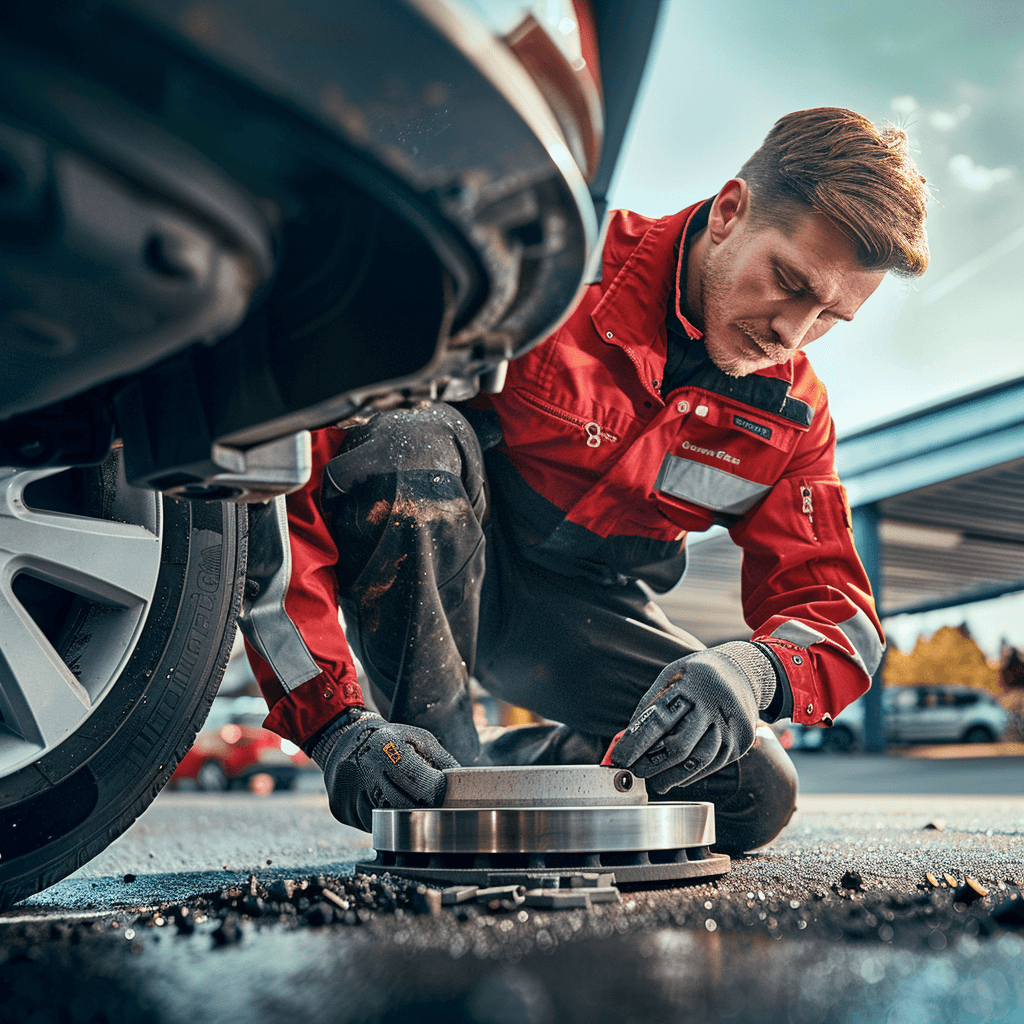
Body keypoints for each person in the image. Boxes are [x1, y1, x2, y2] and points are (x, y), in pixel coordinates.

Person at [238, 107, 929, 852]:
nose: (793, 333)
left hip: (578, 618)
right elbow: (292, 466)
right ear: (730, 211)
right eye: (789, 282)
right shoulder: (549, 272)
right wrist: (336, 725)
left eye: (831, 315)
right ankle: (435, 773)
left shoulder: (793, 413)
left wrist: (750, 672)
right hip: (443, 564)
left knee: (752, 792)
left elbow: (839, 613)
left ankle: (522, 774)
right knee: (406, 440)